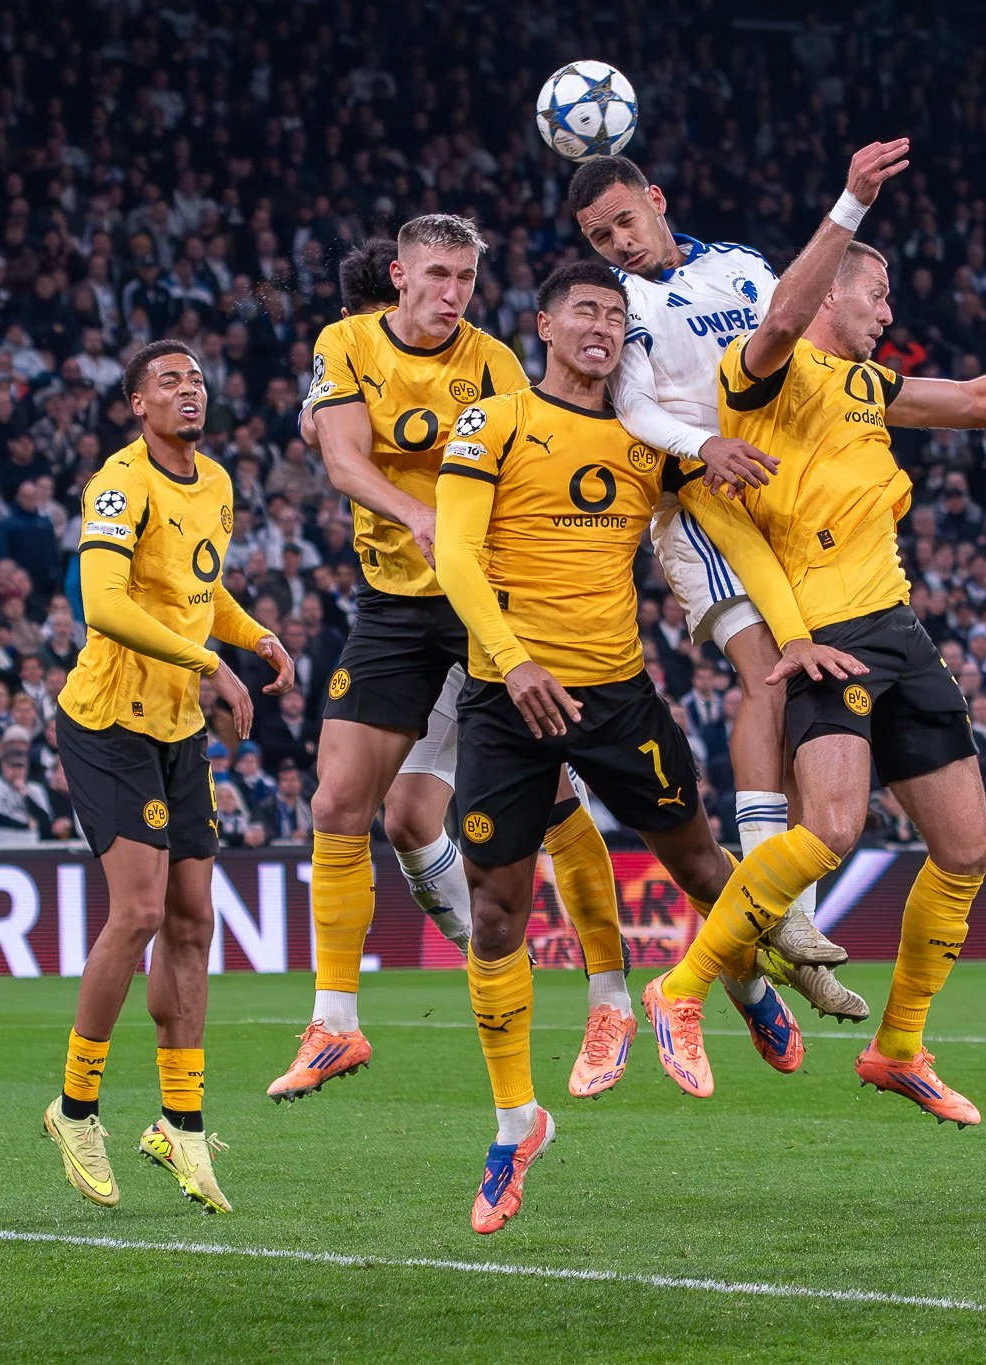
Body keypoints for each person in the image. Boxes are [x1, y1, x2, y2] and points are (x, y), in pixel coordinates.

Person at [655, 157, 986, 1122]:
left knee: (969, 846)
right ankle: (681, 988)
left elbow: (979, 401)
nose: (888, 311)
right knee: (834, 827)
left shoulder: (867, 385)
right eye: (877, 294)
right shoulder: (765, 373)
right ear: (831, 293)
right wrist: (851, 206)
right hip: (828, 632)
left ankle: (899, 1045)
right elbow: (781, 319)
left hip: (896, 625)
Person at [432, 259, 813, 1234]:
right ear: (544, 324)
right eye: (584, 312)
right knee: (495, 913)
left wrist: (787, 617)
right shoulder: (495, 420)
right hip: (506, 698)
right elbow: (452, 552)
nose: (601, 326)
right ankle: (516, 1125)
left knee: (701, 866)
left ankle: (740, 982)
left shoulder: (649, 439)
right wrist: (513, 660)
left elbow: (726, 521)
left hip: (615, 698)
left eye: (615, 314)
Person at [272, 216, 630, 1106]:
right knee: (342, 803)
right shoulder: (348, 344)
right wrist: (418, 514)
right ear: (399, 275)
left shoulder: (495, 363)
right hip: (396, 604)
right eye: (437, 274)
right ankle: (335, 1021)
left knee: (551, 798)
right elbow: (343, 459)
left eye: (466, 277)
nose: (452, 292)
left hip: (483, 604)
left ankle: (610, 994)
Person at [569, 147, 870, 1021]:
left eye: (625, 222)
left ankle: (784, 914)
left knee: (814, 698)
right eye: (599, 237)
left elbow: (796, 340)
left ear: (657, 201)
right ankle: (778, 909)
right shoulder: (626, 306)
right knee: (771, 673)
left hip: (787, 502)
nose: (618, 244)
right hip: (701, 504)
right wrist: (706, 446)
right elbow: (635, 410)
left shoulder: (741, 264)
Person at [40, 339, 293, 1217]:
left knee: (192, 920)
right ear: (136, 405)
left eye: (196, 379)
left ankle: (179, 1124)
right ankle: (75, 1108)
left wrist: (254, 636)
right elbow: (104, 604)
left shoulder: (215, 481)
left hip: (178, 728)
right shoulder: (118, 485)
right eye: (169, 381)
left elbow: (200, 591)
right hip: (107, 721)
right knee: (140, 912)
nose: (190, 390)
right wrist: (212, 663)